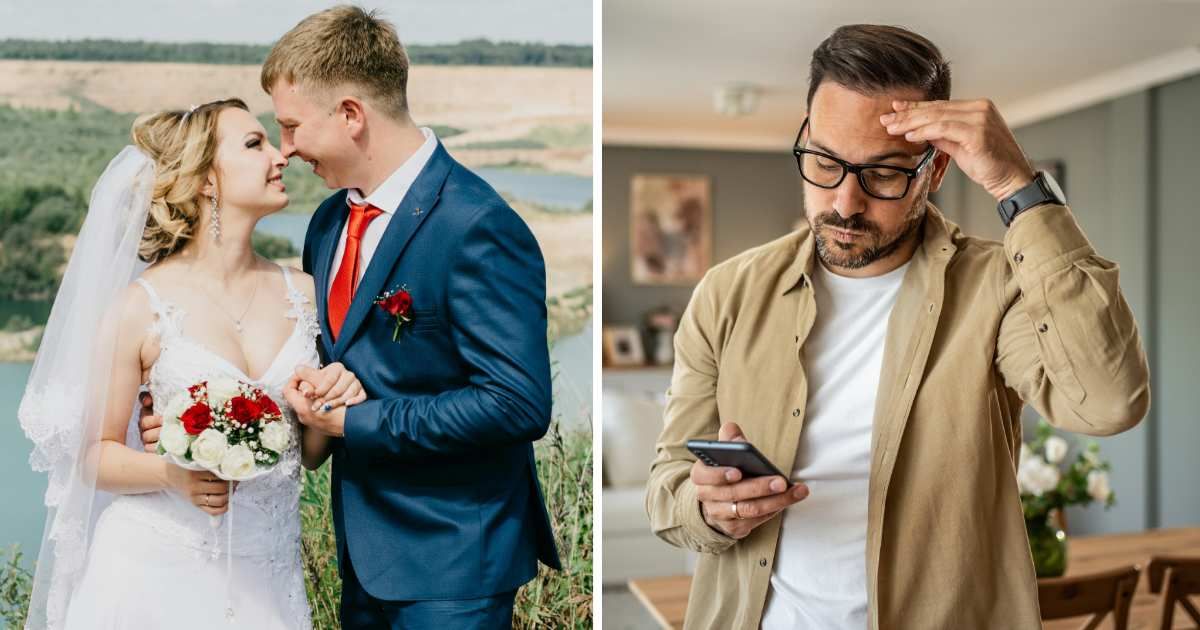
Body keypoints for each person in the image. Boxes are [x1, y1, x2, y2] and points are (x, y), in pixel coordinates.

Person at [645, 24, 1150, 629]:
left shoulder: (998, 288)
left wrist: (1018, 185)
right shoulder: (727, 293)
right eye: (825, 163)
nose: (845, 203)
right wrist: (707, 508)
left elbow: (1109, 402)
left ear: (934, 172)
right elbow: (667, 487)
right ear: (805, 139)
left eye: (883, 174)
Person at [137, 7, 560, 628]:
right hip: (361, 559)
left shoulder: (477, 225)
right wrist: (187, 424)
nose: (286, 150)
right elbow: (319, 379)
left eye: (290, 126)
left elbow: (517, 403)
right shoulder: (329, 224)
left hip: (453, 564)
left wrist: (357, 421)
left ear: (351, 114)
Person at [19, 98, 361, 628]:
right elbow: (92, 455)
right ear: (206, 180)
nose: (280, 156)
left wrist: (330, 402)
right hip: (151, 572)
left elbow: (310, 455)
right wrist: (171, 474)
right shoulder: (141, 305)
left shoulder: (306, 294)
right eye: (255, 145)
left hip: (268, 573)